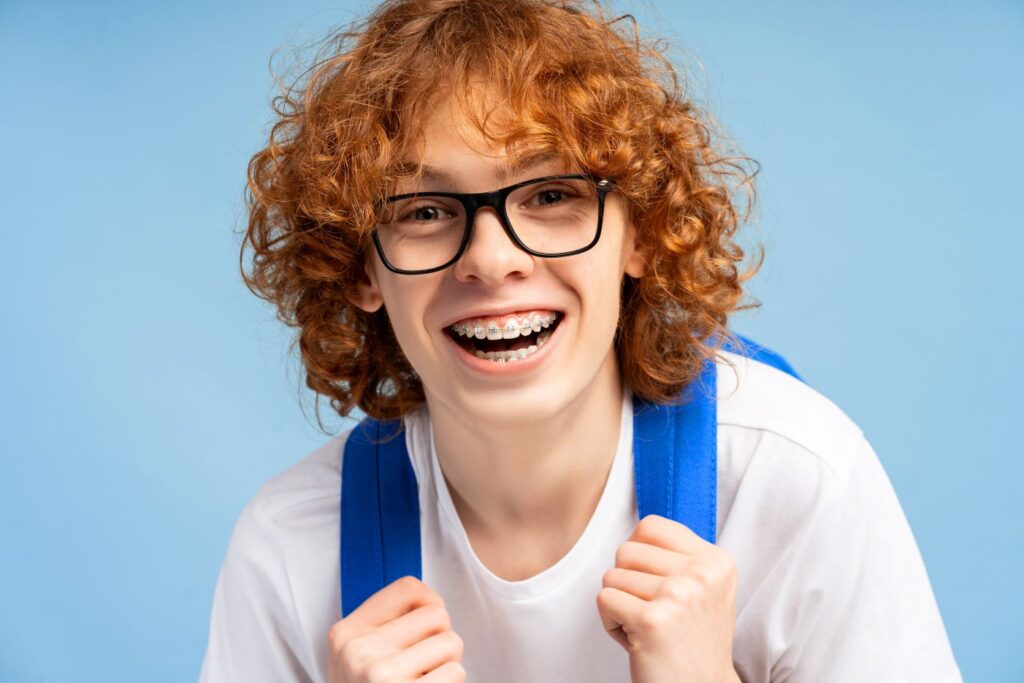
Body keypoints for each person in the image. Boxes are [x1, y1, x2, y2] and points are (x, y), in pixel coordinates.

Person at [198, 1, 962, 681]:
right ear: (360, 266)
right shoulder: (293, 551)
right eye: (425, 210)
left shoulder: (790, 481)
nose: (492, 259)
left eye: (552, 194)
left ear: (640, 232)